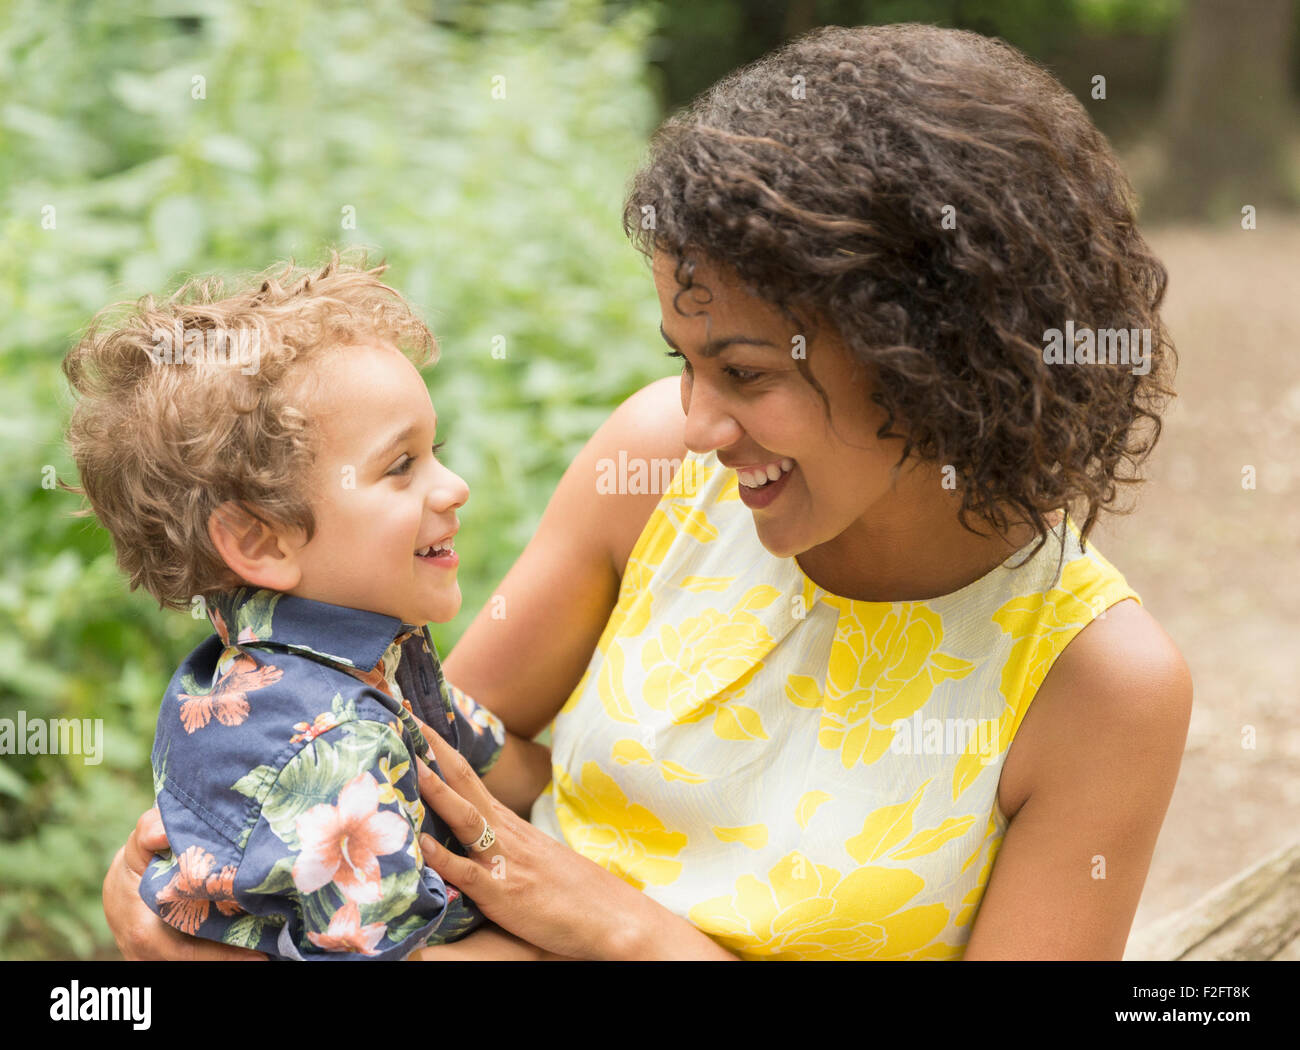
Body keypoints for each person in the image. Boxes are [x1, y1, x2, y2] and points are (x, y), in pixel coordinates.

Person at [103, 24, 1192, 961]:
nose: (700, 418)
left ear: (929, 355)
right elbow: (431, 770)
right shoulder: (657, 470)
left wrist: (629, 934)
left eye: (747, 373)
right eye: (685, 358)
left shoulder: (1094, 687)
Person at [65, 253, 555, 959]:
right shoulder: (336, 746)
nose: (455, 487)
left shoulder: (342, 658)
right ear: (260, 541)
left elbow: (484, 756)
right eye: (400, 467)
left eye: (435, 449)